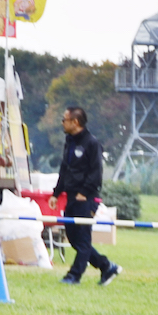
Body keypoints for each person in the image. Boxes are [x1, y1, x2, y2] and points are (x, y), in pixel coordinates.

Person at [54, 106, 121, 286]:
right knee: (74, 239)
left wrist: (84, 193)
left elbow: (96, 173)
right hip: (71, 197)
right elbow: (64, 168)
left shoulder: (92, 143)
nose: (62, 122)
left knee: (83, 240)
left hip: (86, 198)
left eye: (64, 119)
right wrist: (56, 192)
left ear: (75, 122)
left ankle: (73, 276)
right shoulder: (69, 141)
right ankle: (106, 266)